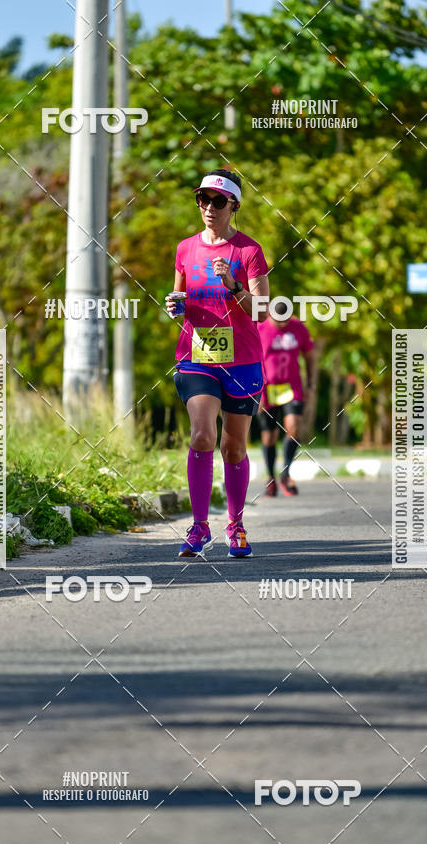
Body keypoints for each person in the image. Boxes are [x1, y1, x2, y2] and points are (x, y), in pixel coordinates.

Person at [166, 169, 270, 558]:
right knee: (202, 435)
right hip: (197, 357)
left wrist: (234, 287)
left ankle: (235, 524)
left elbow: (262, 312)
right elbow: (179, 297)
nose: (209, 207)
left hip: (242, 361)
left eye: (218, 201)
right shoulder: (185, 249)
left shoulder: (249, 251)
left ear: (234, 206)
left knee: (233, 447)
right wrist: (175, 306)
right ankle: (199, 527)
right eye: (203, 199)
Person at [258, 300, 315, 496]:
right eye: (278, 321)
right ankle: (270, 477)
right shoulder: (260, 329)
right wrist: (256, 390)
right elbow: (253, 359)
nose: (282, 324)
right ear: (270, 314)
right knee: (269, 435)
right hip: (267, 388)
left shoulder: (298, 328)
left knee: (294, 428)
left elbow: (309, 356)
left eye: (286, 320)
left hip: (292, 387)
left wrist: (310, 383)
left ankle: (286, 474)